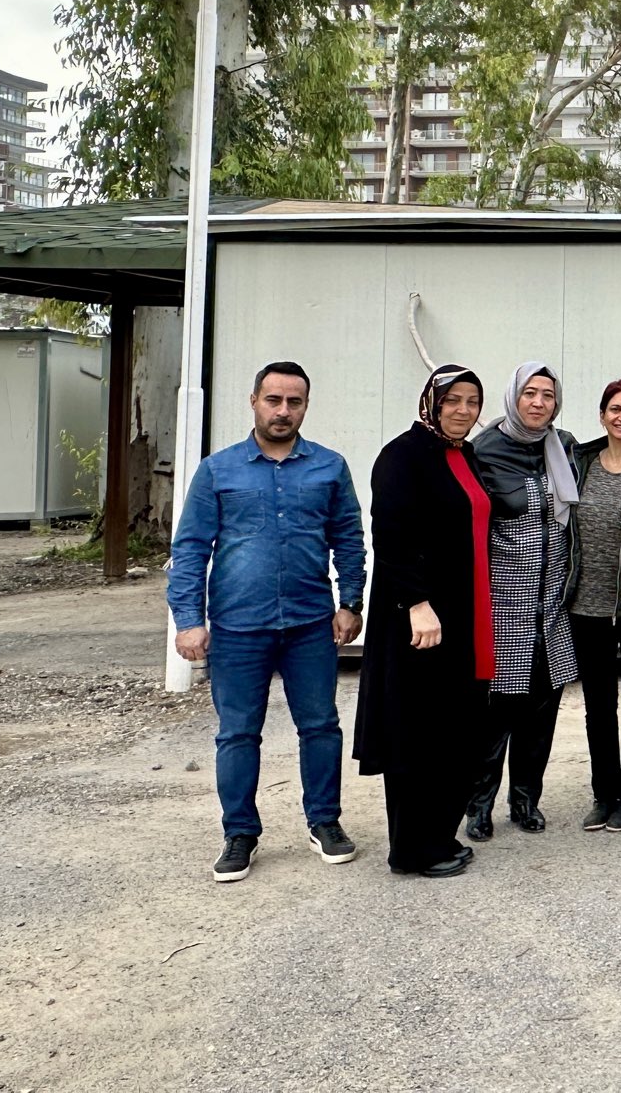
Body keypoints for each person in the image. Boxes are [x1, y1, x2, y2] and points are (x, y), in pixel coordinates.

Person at [169, 361, 366, 882]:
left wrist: (350, 602)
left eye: (294, 402)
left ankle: (324, 822)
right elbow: (189, 548)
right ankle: (240, 833)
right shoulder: (219, 470)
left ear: (305, 406)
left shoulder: (329, 467)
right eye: (273, 400)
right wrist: (189, 620)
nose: (283, 411)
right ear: (253, 401)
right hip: (237, 626)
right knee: (237, 732)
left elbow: (348, 538)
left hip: (309, 625)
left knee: (320, 725)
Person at [354, 366, 494, 878]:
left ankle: (438, 834)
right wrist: (417, 603)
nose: (462, 410)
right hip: (421, 619)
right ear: (431, 402)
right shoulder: (402, 456)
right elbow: (390, 536)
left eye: (472, 402)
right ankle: (413, 850)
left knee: (452, 729)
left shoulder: (463, 455)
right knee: (418, 732)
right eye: (452, 400)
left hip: (465, 611)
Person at [467, 363, 583, 840]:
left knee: (541, 714)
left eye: (548, 396)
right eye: (529, 394)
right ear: (513, 396)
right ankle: (478, 805)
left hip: (552, 607)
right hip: (503, 608)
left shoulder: (565, 447)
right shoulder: (484, 450)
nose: (538, 403)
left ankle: (525, 799)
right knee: (495, 717)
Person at [569, 378, 621, 834]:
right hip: (586, 602)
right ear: (602, 415)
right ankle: (604, 792)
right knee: (597, 704)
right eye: (616, 409)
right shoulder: (579, 461)